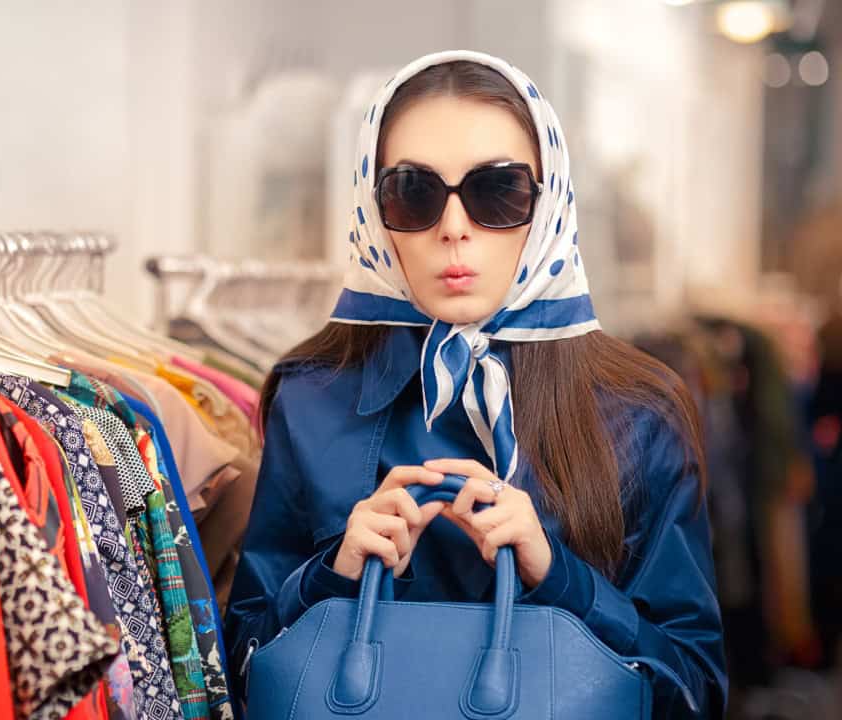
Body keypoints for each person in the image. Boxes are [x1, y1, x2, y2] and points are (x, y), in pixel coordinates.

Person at [223, 51, 727, 717]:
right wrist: (330, 575)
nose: (453, 227)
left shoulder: (636, 412)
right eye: (414, 193)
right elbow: (235, 671)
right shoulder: (313, 397)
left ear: (548, 206)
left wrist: (561, 579)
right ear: (374, 213)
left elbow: (696, 688)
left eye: (497, 191)